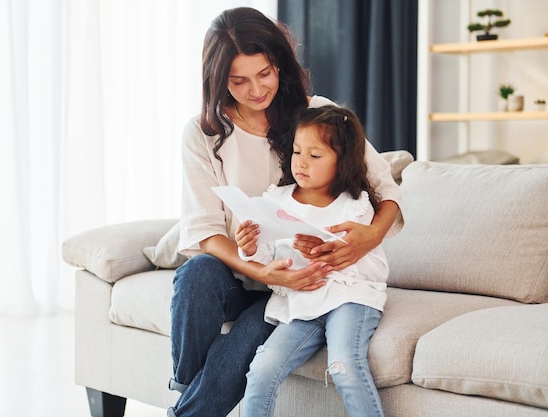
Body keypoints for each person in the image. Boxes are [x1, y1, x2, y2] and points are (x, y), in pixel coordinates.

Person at [169, 7, 402, 417]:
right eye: (238, 81)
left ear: (280, 64)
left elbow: (385, 188)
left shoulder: (318, 116)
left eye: (264, 74)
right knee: (195, 274)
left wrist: (371, 235)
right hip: (241, 274)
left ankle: (184, 406)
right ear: (217, 80)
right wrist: (260, 270)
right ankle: (186, 383)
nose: (256, 90)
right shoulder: (203, 133)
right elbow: (204, 230)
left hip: (291, 285)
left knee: (242, 353)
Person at [237, 105, 388, 417]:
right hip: (301, 304)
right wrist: (250, 248)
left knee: (344, 364)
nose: (301, 162)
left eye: (315, 155)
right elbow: (268, 258)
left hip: (348, 298)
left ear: (342, 160)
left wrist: (325, 252)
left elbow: (372, 268)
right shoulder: (275, 200)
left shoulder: (356, 206)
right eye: (296, 152)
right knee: (262, 368)